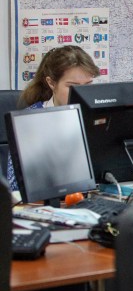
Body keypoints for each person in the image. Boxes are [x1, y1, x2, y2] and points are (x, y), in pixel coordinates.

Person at [7, 45, 100, 191]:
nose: (81, 94)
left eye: (87, 85)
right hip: (47, 205)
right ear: (51, 83)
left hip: (93, 199)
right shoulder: (29, 120)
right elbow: (15, 187)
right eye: (72, 86)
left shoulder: (97, 116)